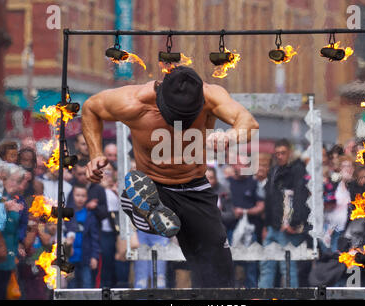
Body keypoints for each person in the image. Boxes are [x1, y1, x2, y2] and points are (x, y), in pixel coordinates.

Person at [82, 66, 259, 288]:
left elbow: (248, 121)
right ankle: (141, 206)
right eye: (178, 116)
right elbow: (90, 109)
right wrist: (95, 154)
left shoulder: (210, 95)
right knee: (147, 201)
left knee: (218, 271)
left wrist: (231, 136)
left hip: (196, 189)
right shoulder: (134, 102)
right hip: (155, 186)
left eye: (188, 117)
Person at [259, 139, 310, 288]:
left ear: (289, 153)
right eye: (277, 153)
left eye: (283, 153)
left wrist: (293, 223)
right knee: (266, 265)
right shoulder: (274, 170)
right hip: (272, 226)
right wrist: (266, 225)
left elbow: (300, 197)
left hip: (287, 227)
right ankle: (264, 296)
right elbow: (269, 198)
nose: (280, 156)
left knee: (287, 267)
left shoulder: (298, 169)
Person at [227, 155, 264, 288]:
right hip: (231, 229)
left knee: (251, 265)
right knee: (231, 264)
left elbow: (261, 206)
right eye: (239, 164)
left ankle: (252, 292)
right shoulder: (228, 183)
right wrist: (231, 212)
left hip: (250, 231)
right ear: (234, 165)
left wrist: (244, 212)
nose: (242, 167)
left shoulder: (254, 183)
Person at [0, 164, 25, 299]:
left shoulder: (17, 198)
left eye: (19, 181)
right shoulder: (0, 196)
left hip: (9, 254)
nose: (16, 185)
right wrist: (5, 207)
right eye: (13, 180)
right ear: (4, 179)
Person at [65, 184, 100, 288]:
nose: (80, 198)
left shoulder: (90, 215)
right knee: (71, 286)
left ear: (87, 197)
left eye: (83, 196)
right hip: (70, 258)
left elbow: (94, 238)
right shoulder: (67, 214)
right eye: (77, 195)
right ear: (72, 196)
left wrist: (94, 256)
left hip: (86, 257)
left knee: (87, 284)